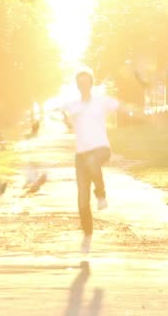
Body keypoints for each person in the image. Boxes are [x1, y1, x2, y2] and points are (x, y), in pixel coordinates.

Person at [61, 68, 120, 254]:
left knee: (94, 162)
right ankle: (87, 235)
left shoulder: (101, 102)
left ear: (91, 84)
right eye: (80, 83)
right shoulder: (73, 106)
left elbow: (118, 106)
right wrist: (67, 120)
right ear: (77, 85)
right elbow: (70, 125)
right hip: (81, 154)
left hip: (101, 148)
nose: (83, 85)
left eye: (86, 82)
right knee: (82, 198)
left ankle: (101, 195)